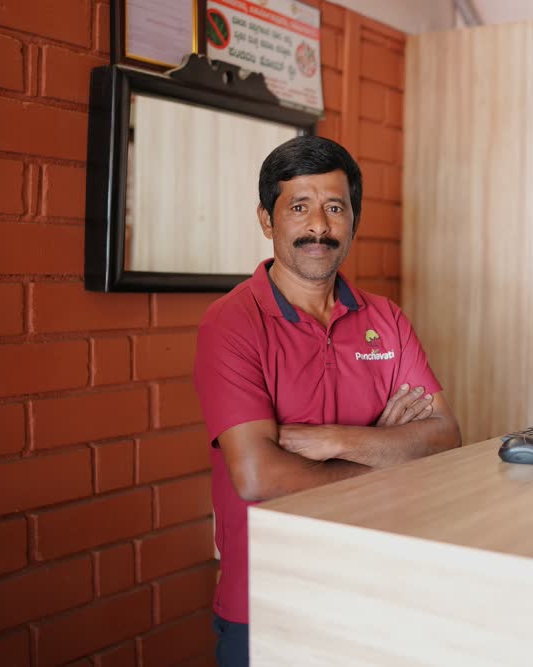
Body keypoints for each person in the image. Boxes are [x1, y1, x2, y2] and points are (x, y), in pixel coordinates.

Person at [193, 135, 461, 667]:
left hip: (377, 587)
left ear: (353, 221)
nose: (319, 226)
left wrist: (335, 440)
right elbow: (257, 475)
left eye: (335, 208)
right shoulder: (231, 323)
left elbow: (445, 437)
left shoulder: (387, 319)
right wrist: (386, 453)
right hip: (269, 600)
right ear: (267, 220)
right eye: (299, 207)